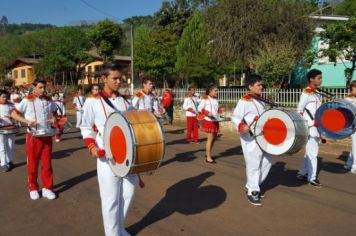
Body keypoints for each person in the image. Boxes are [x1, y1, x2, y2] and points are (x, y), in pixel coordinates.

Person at [80, 63, 137, 236]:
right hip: (107, 157)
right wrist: (92, 147)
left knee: (128, 194)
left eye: (120, 78)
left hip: (128, 156)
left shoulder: (126, 102)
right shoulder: (92, 102)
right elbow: (85, 127)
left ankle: (119, 228)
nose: (119, 82)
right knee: (111, 200)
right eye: (115, 78)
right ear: (104, 79)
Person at [11, 80, 57, 200]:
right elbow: (13, 114)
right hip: (33, 137)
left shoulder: (49, 100)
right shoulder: (27, 100)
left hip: (47, 136)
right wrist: (27, 122)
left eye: (44, 87)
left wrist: (53, 119)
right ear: (34, 87)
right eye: (40, 87)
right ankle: (33, 187)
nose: (43, 90)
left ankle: (48, 188)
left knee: (47, 164)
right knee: (32, 164)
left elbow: (54, 113)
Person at [231, 75, 272, 206]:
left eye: (261, 85)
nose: (261, 87)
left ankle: (252, 185)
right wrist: (241, 126)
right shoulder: (244, 100)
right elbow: (235, 117)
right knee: (254, 164)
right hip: (250, 137)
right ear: (250, 86)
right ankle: (253, 192)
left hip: (263, 135)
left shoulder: (260, 100)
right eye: (258, 85)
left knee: (268, 161)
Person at [296, 69, 323, 187]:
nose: (321, 80)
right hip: (310, 126)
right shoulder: (306, 92)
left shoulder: (317, 92)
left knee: (310, 152)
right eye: (319, 78)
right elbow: (299, 110)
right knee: (313, 152)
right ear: (311, 79)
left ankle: (302, 172)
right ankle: (312, 177)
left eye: (321, 77)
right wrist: (303, 126)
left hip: (317, 126)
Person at [198, 84, 223, 163]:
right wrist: (207, 112)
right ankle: (208, 157)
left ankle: (208, 153)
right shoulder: (205, 98)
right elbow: (200, 108)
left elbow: (217, 110)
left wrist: (220, 111)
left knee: (214, 138)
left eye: (217, 91)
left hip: (215, 120)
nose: (217, 92)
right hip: (208, 121)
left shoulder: (215, 99)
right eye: (215, 91)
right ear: (210, 91)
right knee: (210, 138)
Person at [0, 90, 15, 172]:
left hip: (11, 127)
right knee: (2, 146)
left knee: (10, 145)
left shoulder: (11, 105)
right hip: (1, 128)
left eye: (6, 96)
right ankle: (3, 163)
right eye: (3, 97)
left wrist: (12, 116)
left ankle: (9, 161)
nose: (5, 98)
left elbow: (16, 115)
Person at [344, 81, 356, 174]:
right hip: (352, 125)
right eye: (355, 88)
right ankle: (354, 167)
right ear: (351, 89)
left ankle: (348, 164)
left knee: (354, 146)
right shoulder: (348, 100)